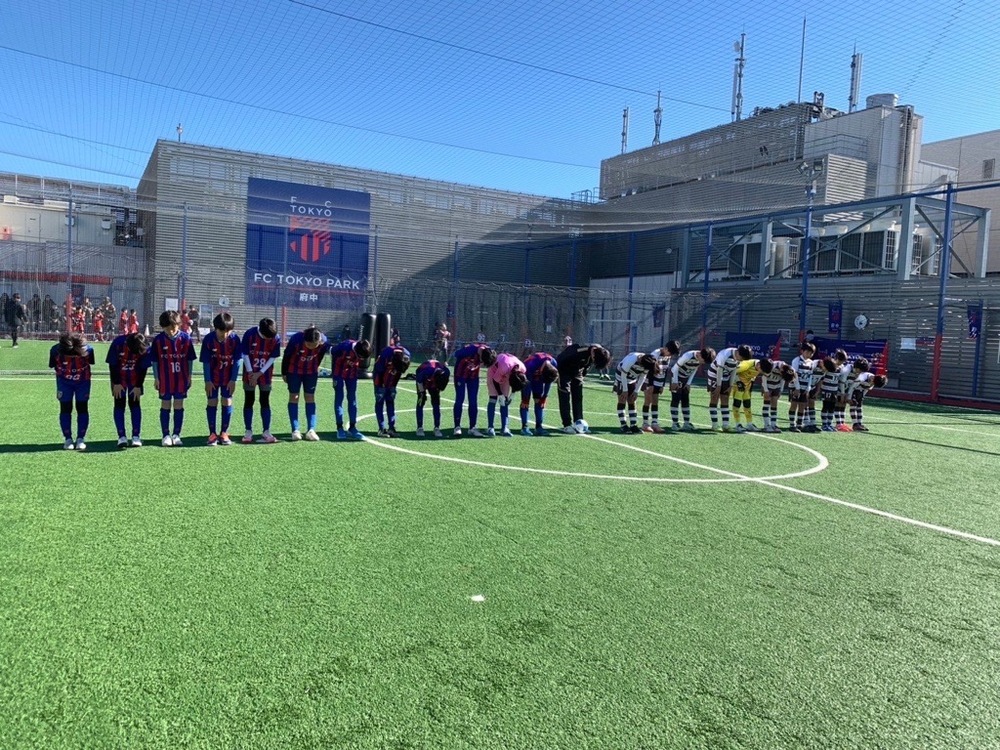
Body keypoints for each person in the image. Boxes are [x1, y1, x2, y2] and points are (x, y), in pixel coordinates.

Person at [151, 309, 197, 446]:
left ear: (178, 324)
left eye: (173, 327)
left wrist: (189, 376)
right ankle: (165, 435)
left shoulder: (186, 338)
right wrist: (156, 378)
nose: (171, 331)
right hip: (165, 378)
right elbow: (154, 361)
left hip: (181, 378)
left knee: (178, 404)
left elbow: (190, 359)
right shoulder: (158, 340)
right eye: (167, 328)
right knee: (165, 404)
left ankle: (176, 434)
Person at [281, 326, 332, 441]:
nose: (311, 347)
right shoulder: (296, 339)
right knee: (294, 396)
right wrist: (284, 373)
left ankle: (311, 430)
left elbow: (320, 355)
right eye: (308, 345)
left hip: (311, 372)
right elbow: (287, 355)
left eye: (314, 345)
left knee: (310, 397)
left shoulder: (324, 342)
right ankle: (295, 430)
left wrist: (316, 366)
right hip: (294, 371)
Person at [200, 312, 242, 446]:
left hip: (228, 378)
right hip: (213, 378)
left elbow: (237, 361)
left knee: (227, 401)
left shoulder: (235, 340)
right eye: (222, 331)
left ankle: (224, 432)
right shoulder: (208, 339)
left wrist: (233, 380)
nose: (225, 334)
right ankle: (212, 434)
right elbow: (206, 362)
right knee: (212, 401)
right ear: (215, 328)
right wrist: (207, 380)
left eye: (228, 331)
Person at [49, 332, 95, 450]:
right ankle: (68, 439)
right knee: (65, 408)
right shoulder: (55, 350)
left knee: (82, 408)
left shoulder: (89, 350)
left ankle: (80, 438)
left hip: (83, 382)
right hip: (64, 383)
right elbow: (52, 365)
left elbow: (90, 362)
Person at [240, 317, 282, 444]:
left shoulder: (275, 337)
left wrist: (260, 373)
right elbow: (245, 354)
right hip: (249, 373)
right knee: (249, 400)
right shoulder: (249, 334)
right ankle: (248, 431)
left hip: (265, 374)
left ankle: (266, 431)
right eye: (267, 337)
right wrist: (250, 373)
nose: (269, 340)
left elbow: (272, 357)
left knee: (265, 401)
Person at [106, 332, 150, 448]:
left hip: (135, 379)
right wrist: (116, 383)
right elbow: (112, 365)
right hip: (119, 378)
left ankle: (136, 436)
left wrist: (138, 385)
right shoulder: (118, 343)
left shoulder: (144, 345)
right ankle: (121, 437)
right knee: (119, 404)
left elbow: (144, 368)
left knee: (135, 404)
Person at [555, 343, 612, 433]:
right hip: (564, 370)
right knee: (565, 395)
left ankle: (579, 423)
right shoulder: (578, 351)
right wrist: (558, 375)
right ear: (593, 355)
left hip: (578, 372)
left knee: (578, 397)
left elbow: (587, 366)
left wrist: (582, 375)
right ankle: (567, 425)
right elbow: (561, 359)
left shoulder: (599, 353)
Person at [328, 334, 372, 440]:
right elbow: (331, 351)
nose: (360, 359)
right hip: (338, 373)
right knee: (339, 398)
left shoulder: (363, 349)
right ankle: (339, 427)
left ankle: (352, 427)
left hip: (351, 374)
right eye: (360, 357)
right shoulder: (344, 346)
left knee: (352, 400)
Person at [451, 342, 496, 437]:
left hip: (473, 376)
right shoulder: (469, 350)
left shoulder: (488, 352)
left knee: (473, 401)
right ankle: (457, 427)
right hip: (460, 374)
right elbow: (456, 354)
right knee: (460, 399)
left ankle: (472, 427)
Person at [706, 344, 752, 431]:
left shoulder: (738, 358)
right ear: (738, 353)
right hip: (715, 374)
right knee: (714, 397)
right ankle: (714, 425)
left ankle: (725, 425)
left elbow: (734, 370)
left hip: (726, 375)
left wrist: (730, 385)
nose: (741, 360)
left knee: (725, 398)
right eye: (742, 358)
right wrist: (718, 386)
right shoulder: (725, 354)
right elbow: (719, 370)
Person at [669, 347, 715, 431]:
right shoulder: (688, 356)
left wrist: (688, 383)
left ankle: (686, 423)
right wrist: (675, 382)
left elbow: (694, 369)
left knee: (685, 400)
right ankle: (675, 423)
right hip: (676, 377)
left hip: (686, 379)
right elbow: (674, 368)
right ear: (700, 355)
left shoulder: (700, 359)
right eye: (703, 361)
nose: (703, 363)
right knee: (676, 399)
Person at [614, 351, 659, 433]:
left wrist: (636, 391)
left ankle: (633, 425)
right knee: (622, 399)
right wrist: (625, 390)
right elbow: (623, 375)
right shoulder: (631, 360)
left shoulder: (648, 362)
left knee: (632, 400)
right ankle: (623, 425)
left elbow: (642, 376)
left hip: (632, 379)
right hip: (621, 378)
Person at [373, 344, 411, 437]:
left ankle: (391, 428)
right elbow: (379, 372)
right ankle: (381, 429)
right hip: (380, 376)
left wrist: (394, 386)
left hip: (392, 376)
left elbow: (399, 372)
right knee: (380, 400)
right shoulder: (386, 355)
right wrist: (381, 386)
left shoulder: (407, 356)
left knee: (390, 400)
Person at [641, 342, 680, 433]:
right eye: (670, 353)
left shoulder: (667, 356)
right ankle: (645, 424)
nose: (670, 355)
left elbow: (665, 370)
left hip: (659, 381)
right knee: (648, 401)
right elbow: (650, 371)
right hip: (649, 381)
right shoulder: (655, 354)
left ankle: (655, 424)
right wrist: (651, 385)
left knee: (655, 401)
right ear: (666, 349)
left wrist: (662, 385)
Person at [486, 352, 526, 437]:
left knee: (504, 402)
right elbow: (495, 381)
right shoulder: (504, 366)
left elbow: (517, 384)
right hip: (494, 372)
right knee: (493, 399)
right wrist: (500, 394)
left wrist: (512, 394)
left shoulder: (523, 369)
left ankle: (505, 427)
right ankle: (490, 427)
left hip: (507, 374)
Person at [519, 352, 558, 436]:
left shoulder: (553, 363)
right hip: (527, 377)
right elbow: (527, 381)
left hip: (538, 379)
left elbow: (548, 381)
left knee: (539, 401)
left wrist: (545, 396)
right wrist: (525, 397)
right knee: (525, 402)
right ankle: (524, 427)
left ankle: (539, 427)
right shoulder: (531, 364)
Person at [730, 358, 774, 432]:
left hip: (747, 386)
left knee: (747, 404)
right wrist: (738, 382)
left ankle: (749, 424)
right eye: (762, 371)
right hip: (738, 386)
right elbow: (733, 371)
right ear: (759, 365)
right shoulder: (746, 364)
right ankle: (737, 425)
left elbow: (753, 375)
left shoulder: (760, 366)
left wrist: (752, 382)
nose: (762, 372)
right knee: (737, 404)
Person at [414, 359, 450, 437]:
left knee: (436, 402)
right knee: (421, 401)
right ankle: (419, 427)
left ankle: (437, 427)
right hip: (422, 380)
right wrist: (421, 392)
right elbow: (419, 381)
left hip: (434, 381)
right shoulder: (425, 372)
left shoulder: (446, 372)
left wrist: (438, 388)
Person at [761, 360, 798, 433]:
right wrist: (766, 390)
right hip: (768, 386)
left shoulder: (788, 370)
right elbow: (764, 377)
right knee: (766, 404)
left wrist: (781, 391)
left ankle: (773, 425)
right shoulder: (773, 366)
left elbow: (782, 380)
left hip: (776, 386)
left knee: (774, 405)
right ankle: (767, 425)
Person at [789, 341, 818, 433]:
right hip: (795, 387)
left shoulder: (811, 363)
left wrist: (808, 388)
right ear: (802, 351)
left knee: (802, 406)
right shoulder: (796, 360)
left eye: (811, 353)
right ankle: (792, 425)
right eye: (808, 352)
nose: (809, 354)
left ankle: (799, 424)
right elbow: (794, 375)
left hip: (805, 388)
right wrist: (797, 388)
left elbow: (810, 376)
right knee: (794, 404)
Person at [817, 356, 843, 432]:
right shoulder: (828, 368)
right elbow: (822, 377)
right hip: (826, 390)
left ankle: (829, 424)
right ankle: (824, 424)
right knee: (826, 406)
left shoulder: (840, 368)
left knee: (832, 407)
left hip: (834, 391)